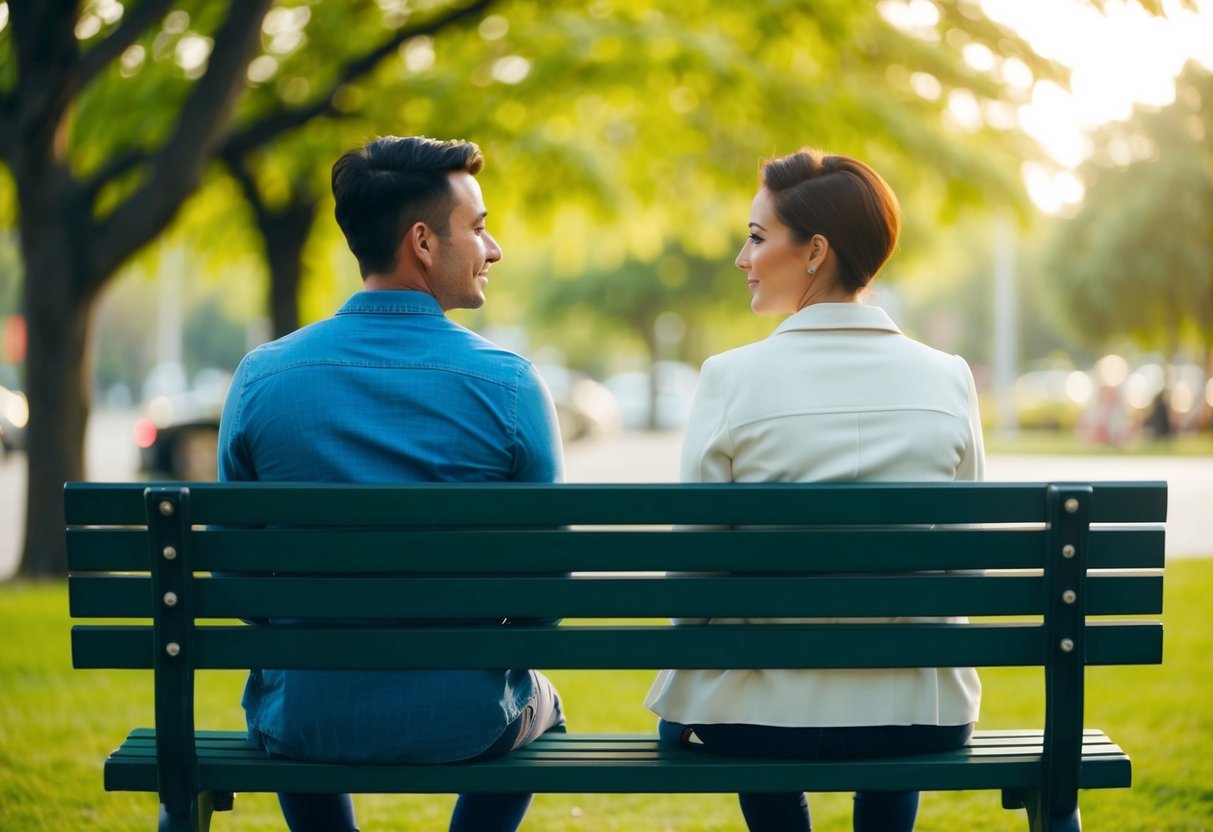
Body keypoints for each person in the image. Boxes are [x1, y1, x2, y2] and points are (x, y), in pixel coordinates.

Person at [216, 136, 567, 832]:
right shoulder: (509, 385)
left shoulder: (261, 377)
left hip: (305, 718)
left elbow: (239, 581)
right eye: (478, 227)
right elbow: (543, 600)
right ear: (422, 243)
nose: (492, 248)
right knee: (545, 704)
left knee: (297, 696)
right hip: (464, 719)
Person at [644, 148, 985, 832]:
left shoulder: (729, 378)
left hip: (760, 719)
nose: (742, 258)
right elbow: (964, 568)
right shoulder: (947, 378)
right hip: (918, 716)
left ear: (814, 252)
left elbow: (694, 575)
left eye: (756, 237)